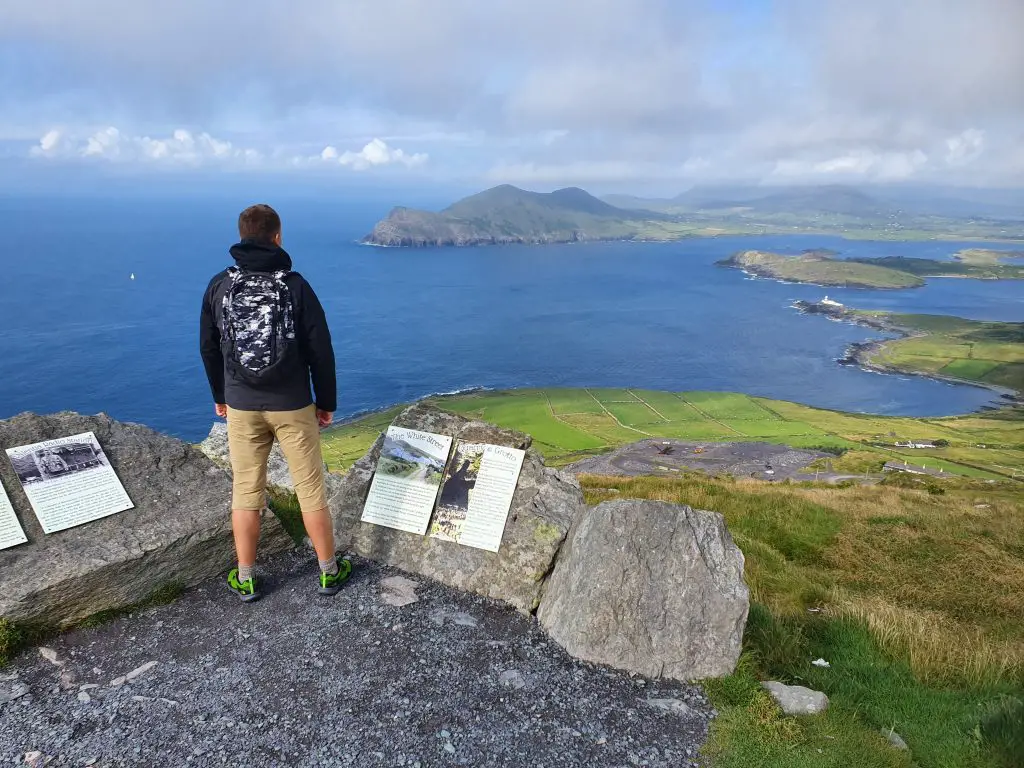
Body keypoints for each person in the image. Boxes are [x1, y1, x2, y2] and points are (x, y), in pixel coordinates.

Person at [200, 204, 349, 603]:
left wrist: (220, 395)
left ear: (241, 235)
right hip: (293, 404)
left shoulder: (219, 286)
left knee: (246, 491)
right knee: (310, 489)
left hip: (241, 405)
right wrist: (326, 401)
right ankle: (329, 572)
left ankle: (246, 577)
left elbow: (209, 347)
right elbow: (322, 350)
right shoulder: (296, 286)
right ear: (278, 237)